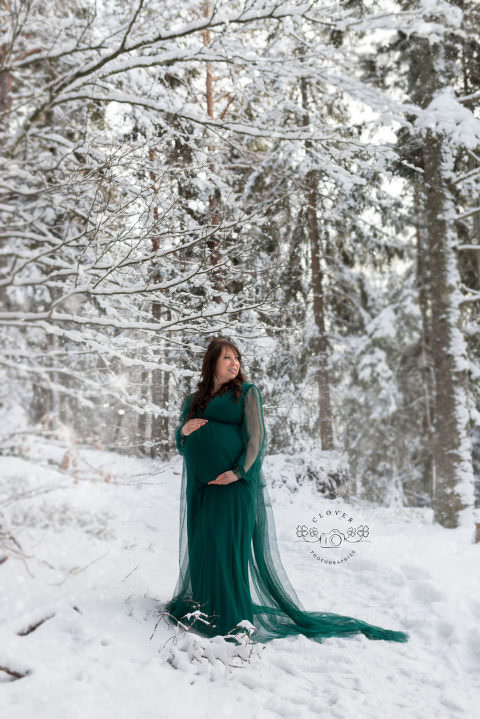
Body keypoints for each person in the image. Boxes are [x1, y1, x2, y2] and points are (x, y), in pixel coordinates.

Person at [162, 337, 409, 645]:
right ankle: (205, 611)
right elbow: (183, 444)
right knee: (204, 547)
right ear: (211, 362)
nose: (234, 363)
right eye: (227, 357)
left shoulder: (247, 393)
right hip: (202, 490)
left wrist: (237, 473)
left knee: (226, 551)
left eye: (237, 357)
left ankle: (229, 620)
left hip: (233, 488)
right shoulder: (194, 400)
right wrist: (182, 431)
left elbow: (257, 439)